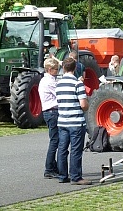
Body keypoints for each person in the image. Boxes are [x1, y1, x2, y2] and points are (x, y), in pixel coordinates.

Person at [55, 57, 92, 185]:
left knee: (62, 149)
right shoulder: (77, 83)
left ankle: (62, 175)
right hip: (76, 121)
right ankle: (76, 177)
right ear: (75, 68)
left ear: (63, 67)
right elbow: (83, 105)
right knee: (76, 150)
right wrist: (87, 103)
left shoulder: (58, 84)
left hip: (62, 121)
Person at [38, 58, 60, 179]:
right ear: (50, 69)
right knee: (55, 141)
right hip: (52, 112)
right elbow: (59, 94)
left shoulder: (46, 80)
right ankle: (49, 168)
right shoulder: (49, 81)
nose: (58, 71)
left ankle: (52, 166)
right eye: (56, 69)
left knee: (55, 140)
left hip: (50, 112)